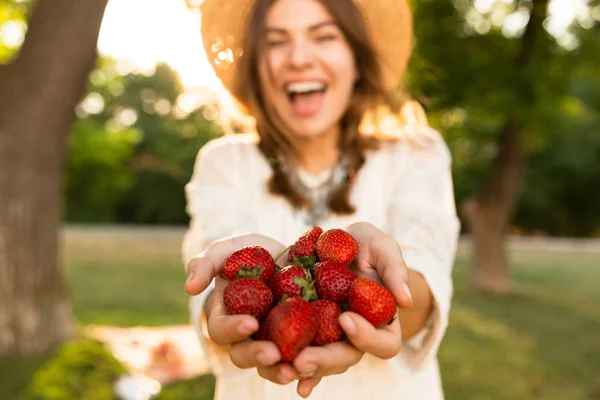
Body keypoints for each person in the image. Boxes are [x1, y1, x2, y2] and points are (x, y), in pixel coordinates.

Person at [182, 0, 460, 398]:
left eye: (324, 36)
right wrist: (224, 297)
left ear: (358, 58)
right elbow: (215, 295)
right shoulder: (224, 162)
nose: (298, 58)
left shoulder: (416, 153)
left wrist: (382, 290)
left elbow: (425, 280)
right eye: (275, 42)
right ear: (256, 67)